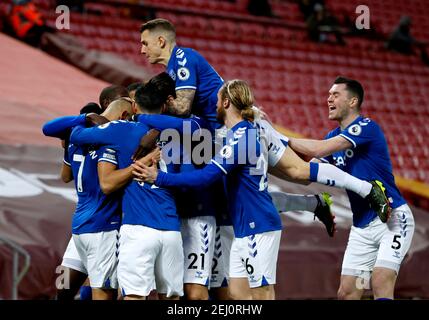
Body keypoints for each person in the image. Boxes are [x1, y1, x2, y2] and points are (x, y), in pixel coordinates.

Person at [134, 79, 392, 300]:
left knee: (262, 293)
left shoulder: (241, 138)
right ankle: (315, 203)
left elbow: (205, 177)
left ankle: (365, 189)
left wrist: (159, 177)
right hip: (245, 225)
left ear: (226, 103)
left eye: (217, 101)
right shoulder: (240, 133)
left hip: (259, 226)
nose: (213, 106)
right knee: (236, 294)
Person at [288, 76, 415, 300]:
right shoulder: (332, 137)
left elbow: (318, 150)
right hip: (362, 229)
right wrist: (271, 145)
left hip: (393, 218)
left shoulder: (366, 127)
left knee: (381, 278)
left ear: (353, 101)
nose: (328, 99)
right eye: (328, 95)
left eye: (335, 95)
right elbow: (306, 171)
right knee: (348, 292)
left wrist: (278, 137)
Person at [69, 80, 184, 301]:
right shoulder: (178, 134)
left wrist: (84, 119)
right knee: (171, 300)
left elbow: (75, 135)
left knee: (132, 295)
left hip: (137, 226)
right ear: (163, 107)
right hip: (171, 228)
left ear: (134, 107)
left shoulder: (120, 129)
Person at [43, 98, 144, 300]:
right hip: (104, 227)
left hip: (79, 228)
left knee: (62, 285)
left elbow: (48, 129)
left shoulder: (75, 139)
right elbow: (108, 184)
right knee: (104, 292)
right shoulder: (109, 143)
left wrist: (83, 118)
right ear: (124, 116)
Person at [140, 18, 224, 133]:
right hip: (218, 127)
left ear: (161, 41)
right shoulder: (173, 65)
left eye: (145, 43)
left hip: (230, 127)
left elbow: (182, 108)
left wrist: (151, 106)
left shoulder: (182, 59)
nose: (142, 50)